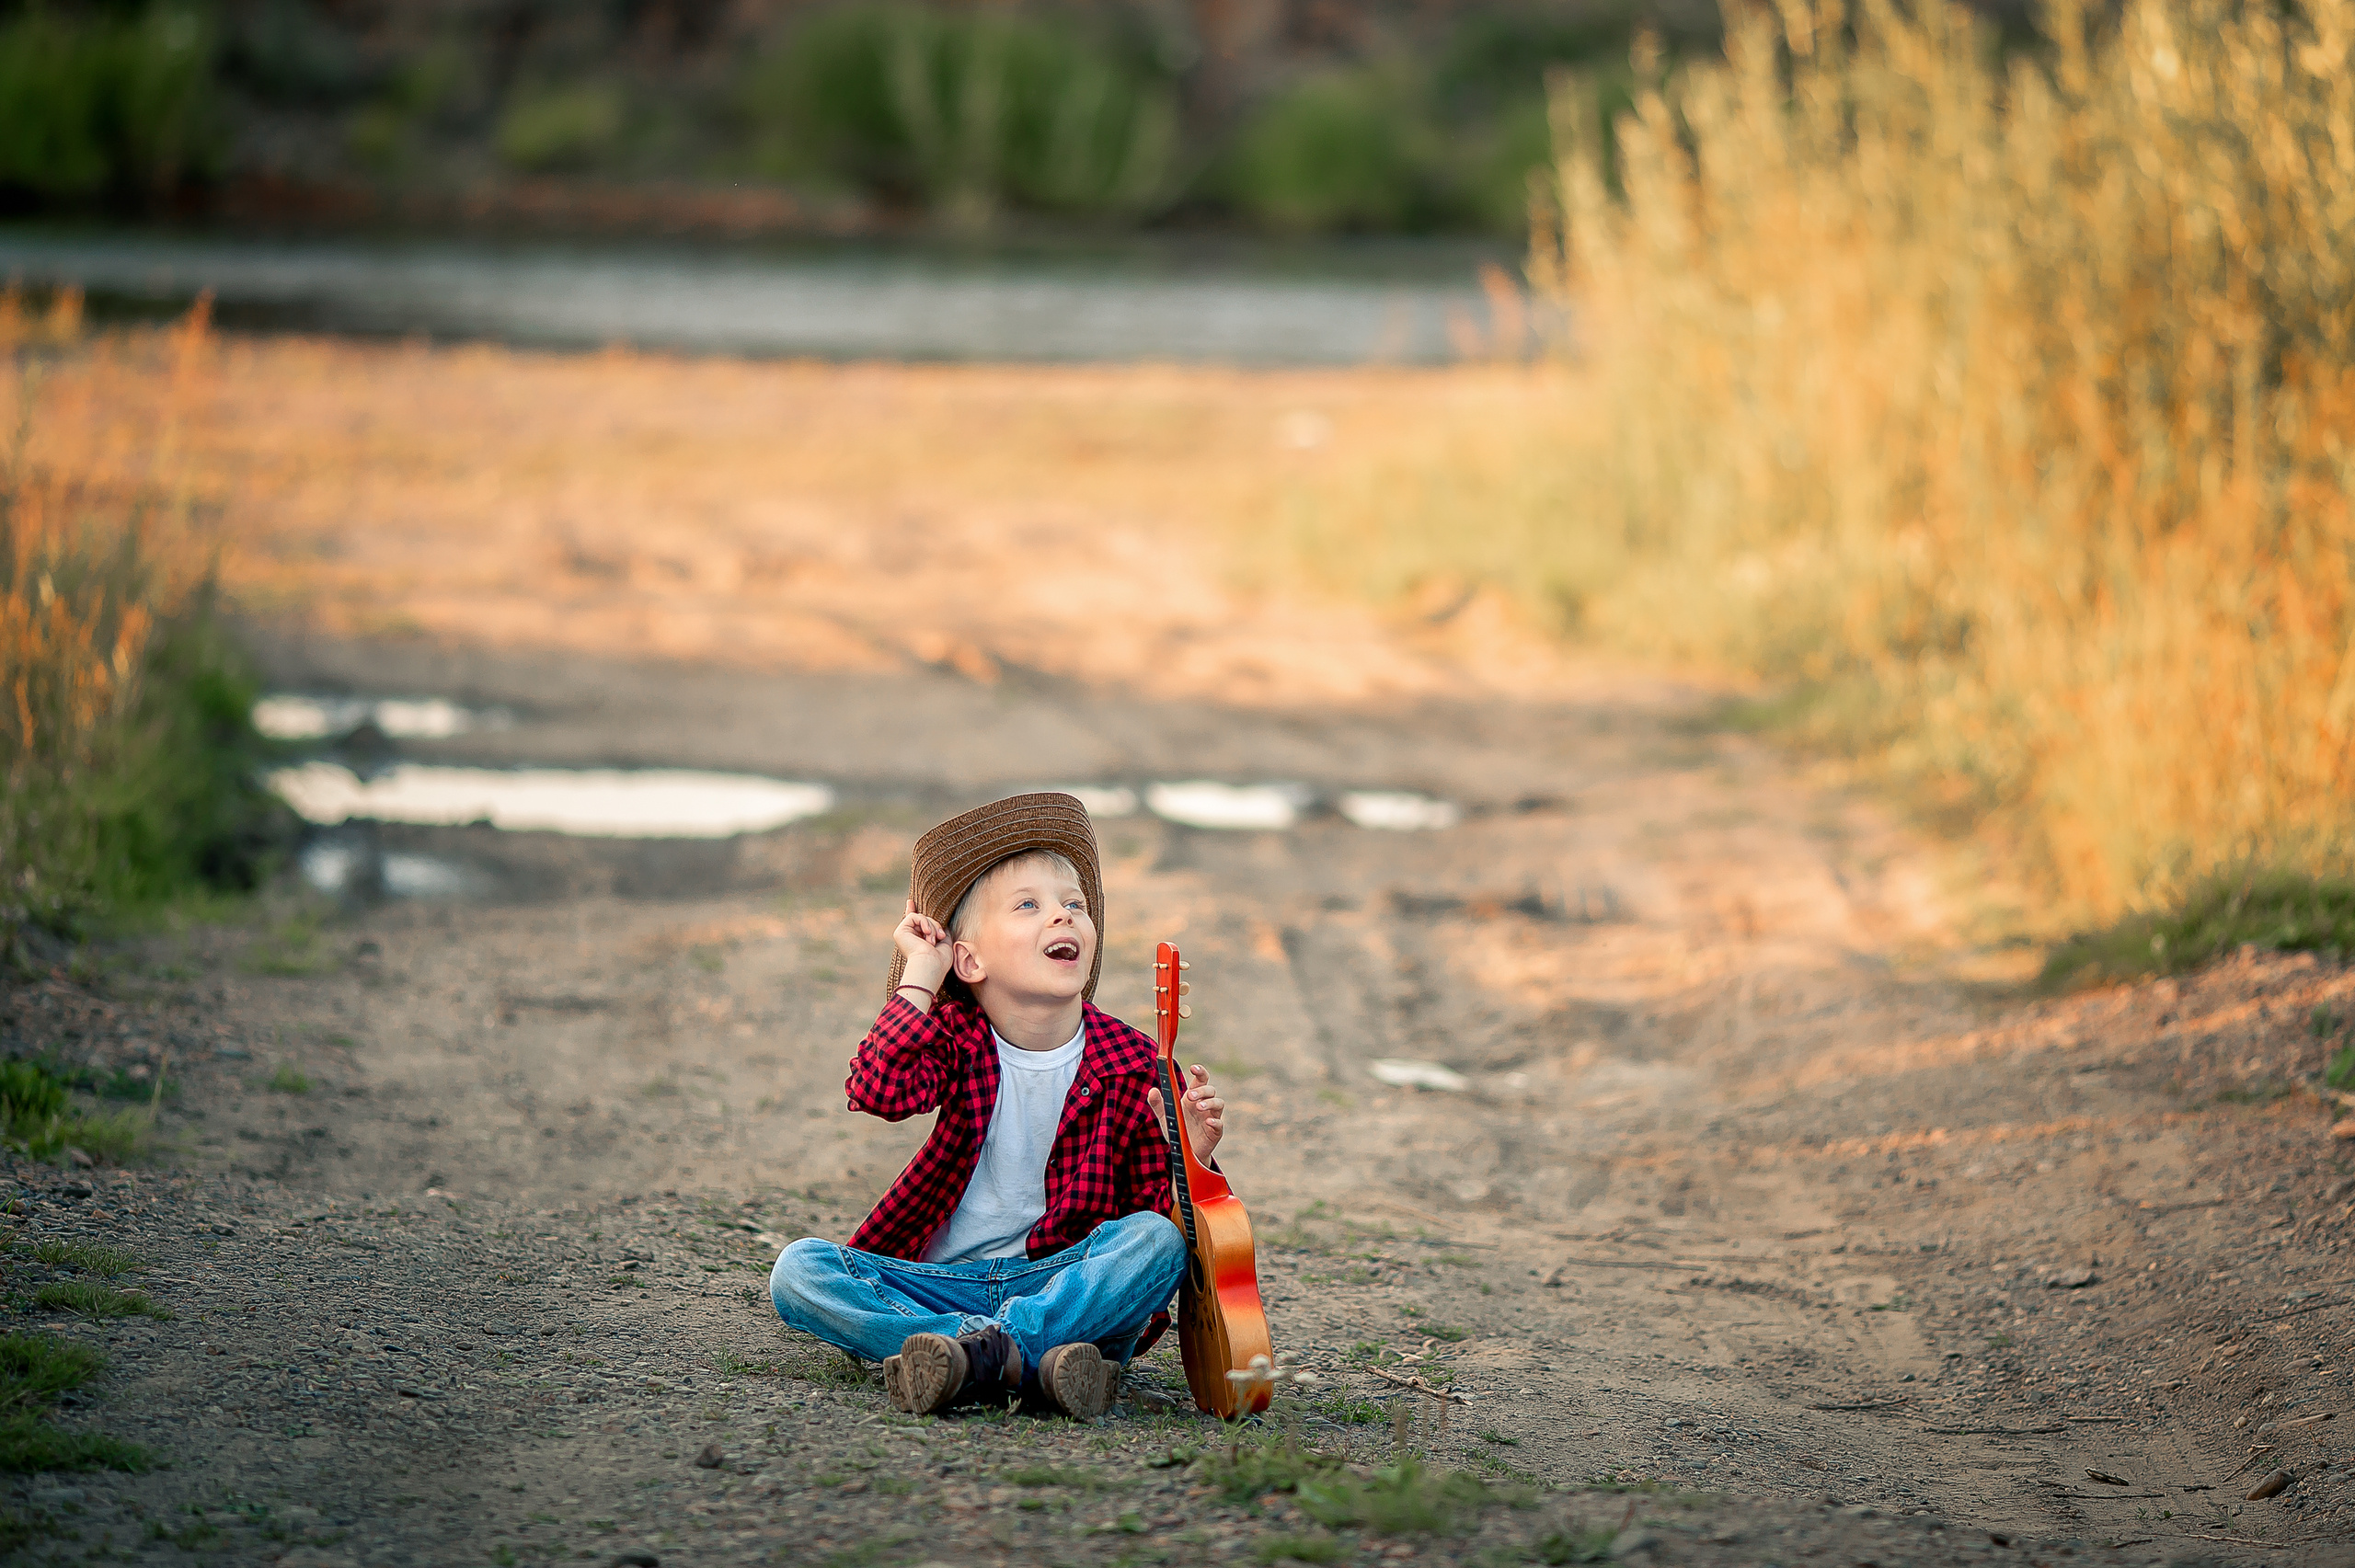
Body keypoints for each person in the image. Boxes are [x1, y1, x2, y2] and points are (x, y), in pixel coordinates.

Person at [768, 793, 1228, 1419]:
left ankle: (973, 1357)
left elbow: (1158, 1219)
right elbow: (877, 1087)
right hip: (942, 1282)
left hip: (1064, 1282)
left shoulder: (1136, 1063)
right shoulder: (955, 1035)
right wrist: (921, 973)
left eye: (1075, 905)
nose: (1063, 917)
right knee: (800, 1270)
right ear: (971, 959)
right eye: (1029, 905)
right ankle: (1028, 1363)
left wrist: (1192, 1158)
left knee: (1152, 1243)